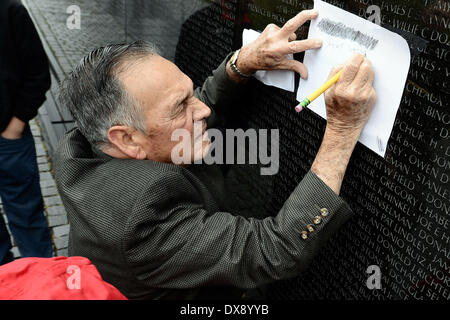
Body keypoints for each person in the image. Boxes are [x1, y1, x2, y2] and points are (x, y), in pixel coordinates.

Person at [55, 9, 376, 299]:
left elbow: (177, 111)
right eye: (181, 106)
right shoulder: (141, 221)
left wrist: (240, 64)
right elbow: (275, 250)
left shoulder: (93, 143)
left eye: (187, 93)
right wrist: (343, 131)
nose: (202, 108)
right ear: (126, 139)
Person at [0, 0, 53, 265]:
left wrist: (15, 125)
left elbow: (38, 74)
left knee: (28, 219)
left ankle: (43, 282)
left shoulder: (10, 10)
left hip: (8, 140)